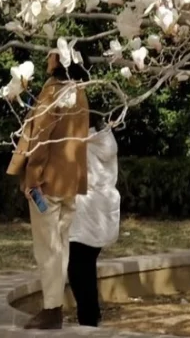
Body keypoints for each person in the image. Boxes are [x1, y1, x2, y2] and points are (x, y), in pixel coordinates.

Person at [6, 49, 90, 330]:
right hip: (70, 182)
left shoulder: (53, 90)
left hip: (47, 182)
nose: (46, 61)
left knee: (48, 249)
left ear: (59, 61)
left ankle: (52, 309)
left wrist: (32, 178)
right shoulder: (80, 91)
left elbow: (40, 137)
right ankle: (54, 305)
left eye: (50, 56)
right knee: (61, 247)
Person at [67, 122, 120, 327]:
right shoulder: (107, 139)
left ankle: (88, 318)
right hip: (103, 208)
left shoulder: (81, 141)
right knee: (86, 264)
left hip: (86, 208)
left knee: (78, 268)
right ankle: (91, 314)